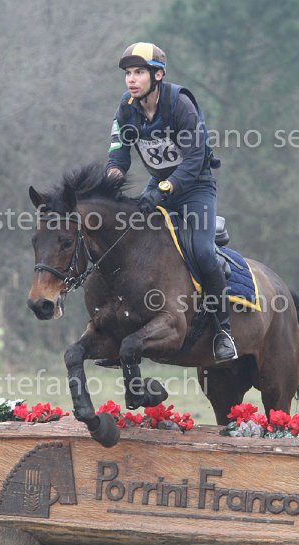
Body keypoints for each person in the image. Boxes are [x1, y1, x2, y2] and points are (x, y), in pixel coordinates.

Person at [106, 42, 237, 363]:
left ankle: (224, 331)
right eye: (128, 73)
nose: (131, 79)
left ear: (158, 75)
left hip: (196, 187)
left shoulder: (180, 104)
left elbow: (194, 159)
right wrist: (108, 182)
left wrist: (164, 188)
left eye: (139, 72)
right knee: (126, 240)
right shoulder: (126, 108)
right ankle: (118, 331)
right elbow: (119, 157)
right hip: (160, 185)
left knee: (203, 252)